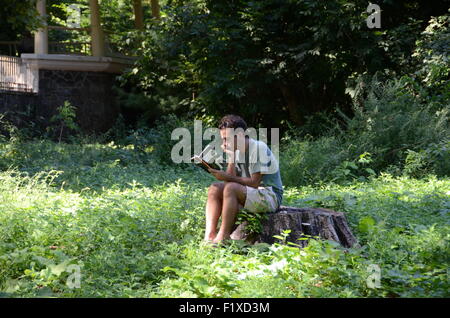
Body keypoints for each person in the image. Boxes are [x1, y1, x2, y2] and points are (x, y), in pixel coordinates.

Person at [205, 114, 283, 244]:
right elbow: (228, 182)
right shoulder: (236, 150)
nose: (224, 143)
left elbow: (254, 183)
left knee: (231, 188)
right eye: (223, 140)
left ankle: (223, 236)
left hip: (270, 195)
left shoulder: (258, 148)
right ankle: (209, 235)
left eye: (227, 139)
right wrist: (231, 157)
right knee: (215, 188)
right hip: (251, 193)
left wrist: (227, 177)